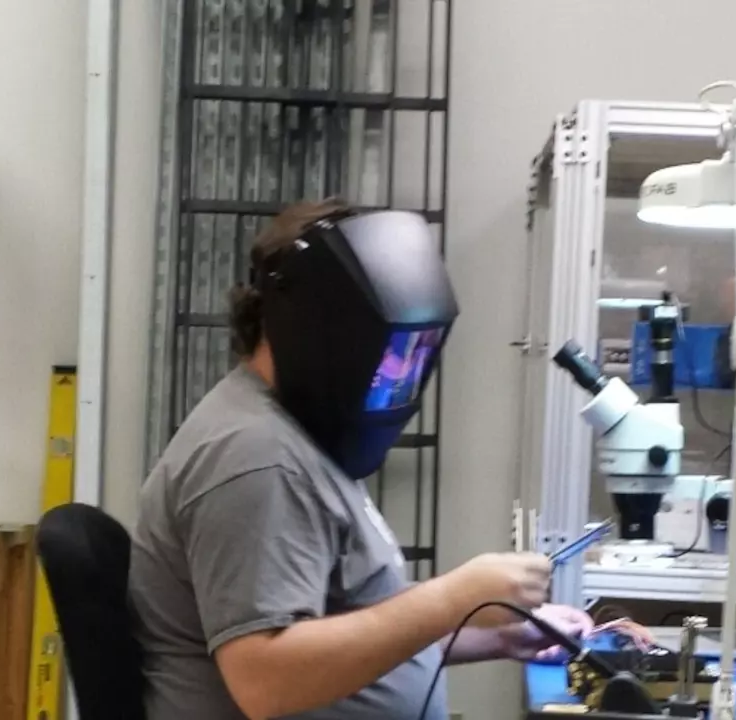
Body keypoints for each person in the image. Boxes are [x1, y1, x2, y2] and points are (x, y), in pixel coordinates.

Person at [130, 199, 593, 720]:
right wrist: (452, 597)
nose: (395, 372)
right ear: (321, 325)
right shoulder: (256, 457)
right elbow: (266, 679)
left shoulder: (295, 438)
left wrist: (499, 636)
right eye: (389, 351)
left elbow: (351, 643)